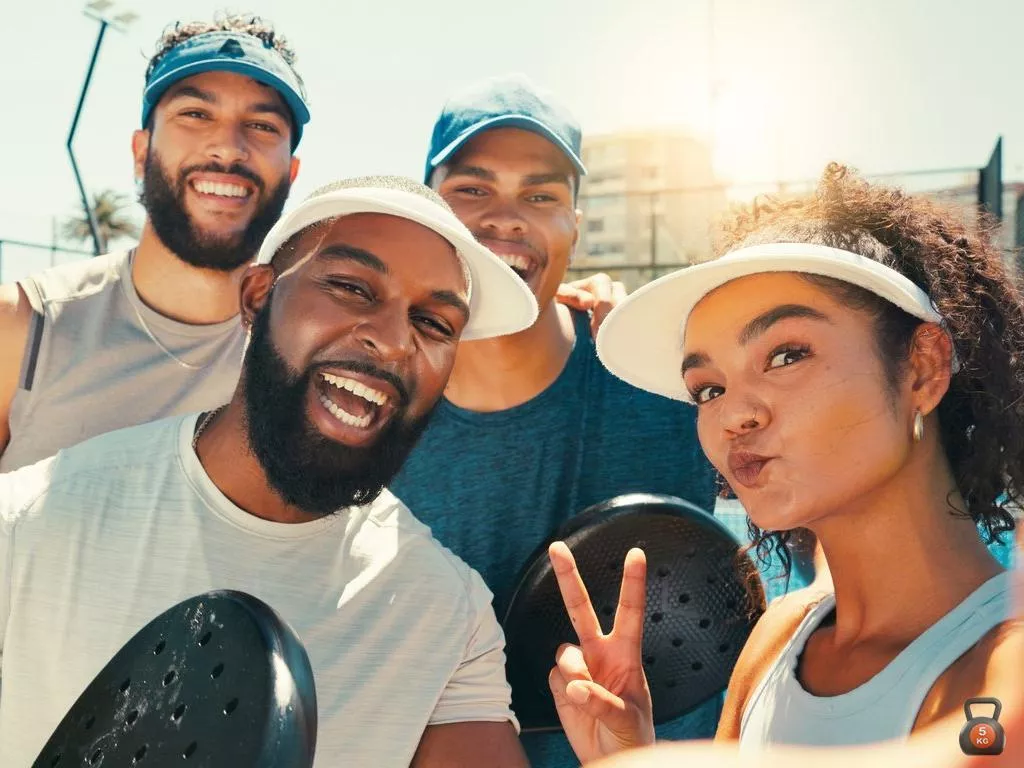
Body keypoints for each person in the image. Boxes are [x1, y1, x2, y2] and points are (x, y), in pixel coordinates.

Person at [548, 163, 1022, 760]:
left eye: (785, 355)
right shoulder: (777, 638)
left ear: (922, 367)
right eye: (707, 388)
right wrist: (623, 749)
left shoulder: (1009, 659)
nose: (733, 415)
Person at [388, 74, 719, 765]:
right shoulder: (373, 418)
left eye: (541, 196)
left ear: (575, 224)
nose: (506, 218)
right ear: (429, 216)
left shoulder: (663, 376)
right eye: (473, 190)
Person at [0, 14, 309, 471]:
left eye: (262, 126)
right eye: (196, 114)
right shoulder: (23, 328)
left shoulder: (305, 357)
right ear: (141, 152)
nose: (227, 147)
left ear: (292, 173)